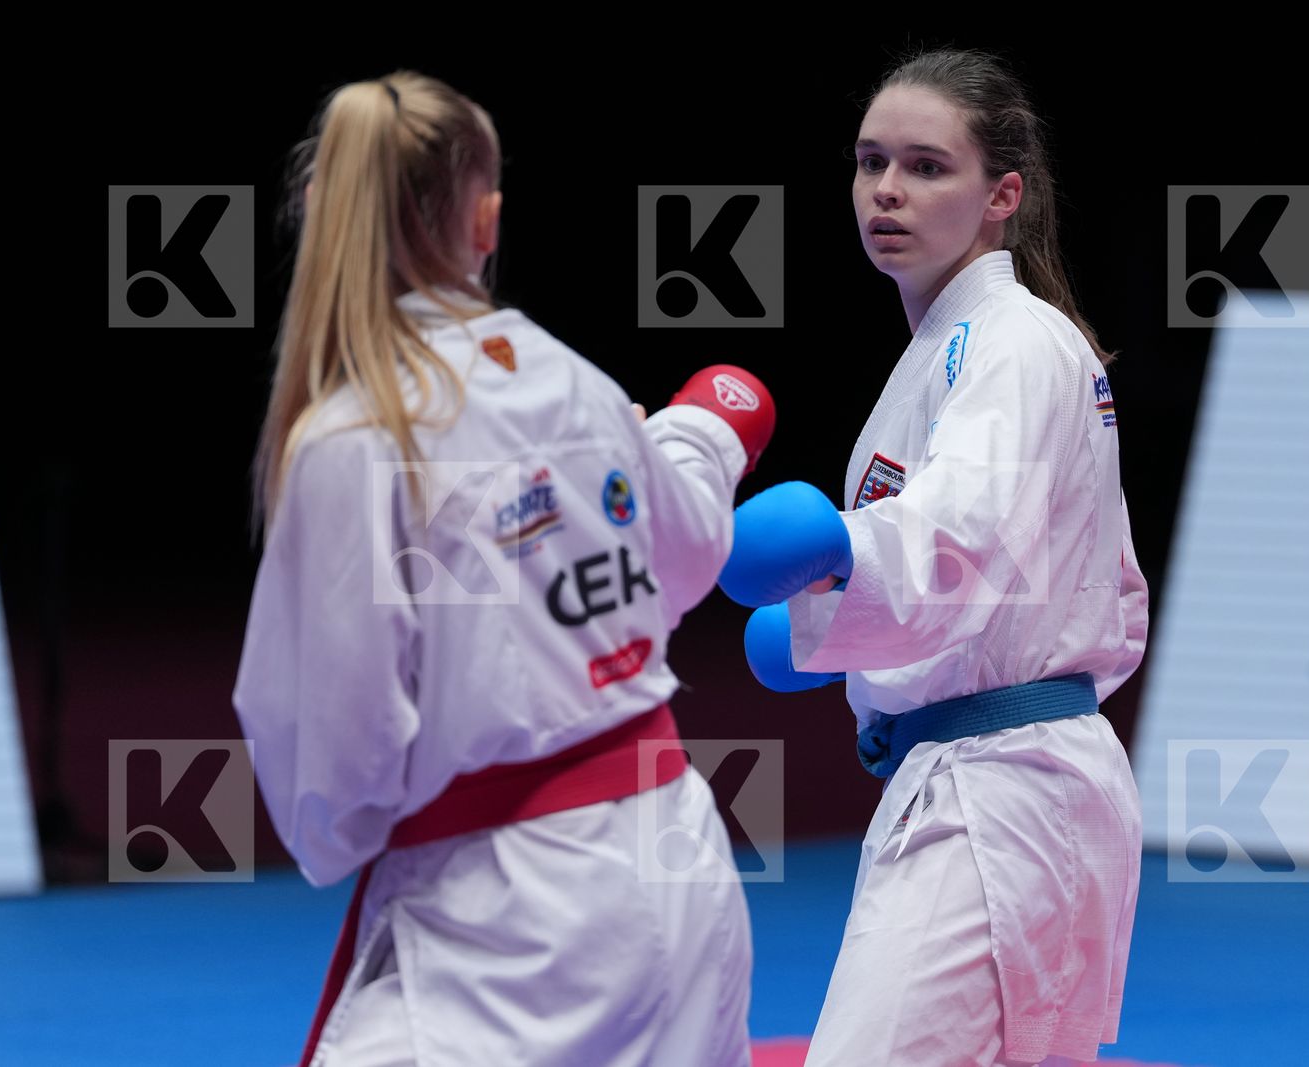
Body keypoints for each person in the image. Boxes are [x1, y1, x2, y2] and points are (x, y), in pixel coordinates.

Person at [232, 70, 773, 1067]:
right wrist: (709, 426)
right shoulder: (580, 384)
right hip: (676, 861)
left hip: (507, 920)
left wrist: (349, 832)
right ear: (487, 219)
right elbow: (687, 547)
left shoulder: (353, 437)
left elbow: (334, 746)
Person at [718, 49, 1148, 1066]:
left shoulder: (1014, 341)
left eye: (924, 165)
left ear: (1003, 194)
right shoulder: (958, 346)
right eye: (870, 163)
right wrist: (832, 646)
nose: (887, 190)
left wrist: (831, 552)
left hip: (1004, 792)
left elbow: (961, 536)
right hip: (988, 781)